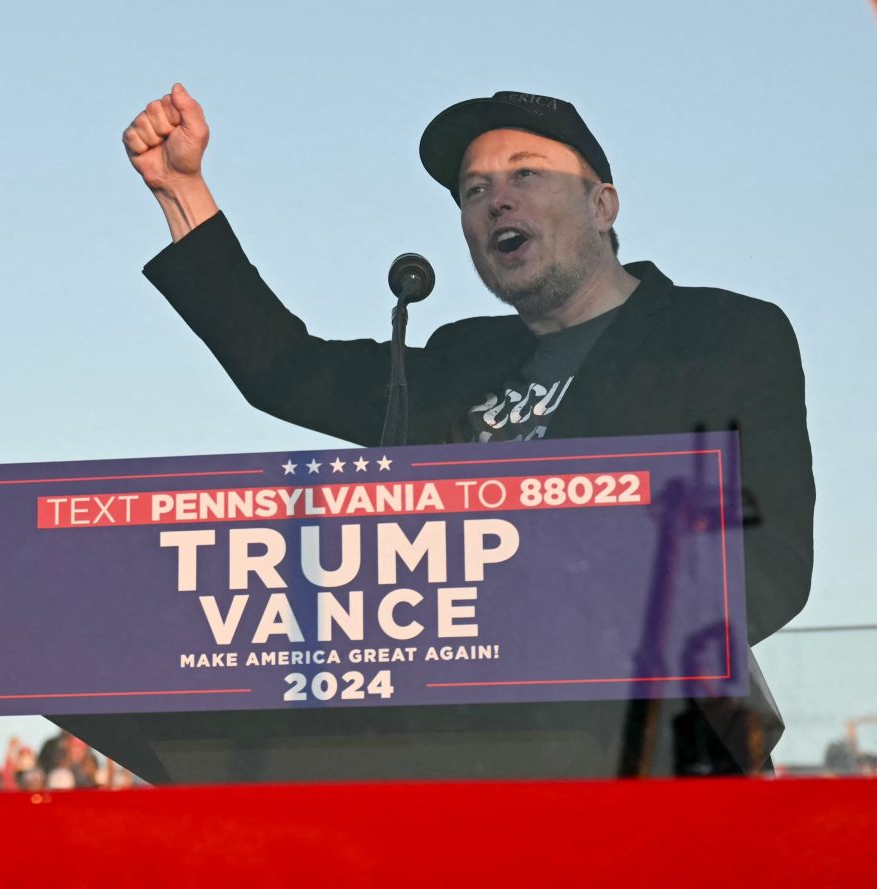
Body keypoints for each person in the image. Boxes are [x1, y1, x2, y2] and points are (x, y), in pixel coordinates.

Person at [122, 86, 814, 775]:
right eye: (473, 189)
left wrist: (593, 635)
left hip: (657, 756)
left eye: (526, 173)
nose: (496, 200)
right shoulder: (460, 359)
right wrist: (183, 191)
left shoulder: (721, 336)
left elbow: (771, 561)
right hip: (471, 763)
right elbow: (289, 370)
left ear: (602, 206)